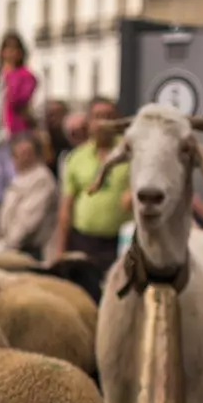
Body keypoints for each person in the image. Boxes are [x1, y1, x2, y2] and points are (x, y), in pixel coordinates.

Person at [53, 96, 131, 272]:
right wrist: (60, 253)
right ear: (89, 122)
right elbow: (66, 209)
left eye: (109, 116)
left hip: (120, 243)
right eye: (98, 116)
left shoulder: (131, 155)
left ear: (118, 121)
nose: (104, 122)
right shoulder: (76, 157)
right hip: (83, 241)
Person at [0, 31, 39, 206]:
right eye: (8, 49)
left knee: (12, 171)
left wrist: (10, 80)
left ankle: (15, 204)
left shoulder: (25, 76)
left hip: (13, 131)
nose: (11, 53)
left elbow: (19, 100)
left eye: (15, 49)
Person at [0, 133, 58, 261]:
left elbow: (28, 221)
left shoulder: (41, 178)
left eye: (28, 152)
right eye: (19, 153)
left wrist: (7, 246)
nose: (23, 157)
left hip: (32, 252)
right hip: (12, 246)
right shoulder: (19, 178)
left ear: (36, 154)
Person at [43, 100, 70, 178]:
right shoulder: (43, 141)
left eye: (58, 114)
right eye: (50, 115)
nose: (53, 119)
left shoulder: (73, 138)